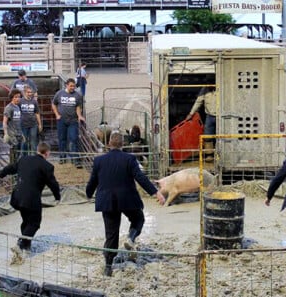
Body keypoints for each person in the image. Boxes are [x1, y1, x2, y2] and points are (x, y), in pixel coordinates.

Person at [85, 132, 166, 277]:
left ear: (109, 144)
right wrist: (156, 193)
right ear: (123, 144)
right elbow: (140, 177)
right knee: (138, 219)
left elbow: (92, 182)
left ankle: (108, 267)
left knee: (111, 235)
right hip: (127, 199)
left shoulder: (99, 161)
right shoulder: (130, 159)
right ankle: (130, 238)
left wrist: (88, 194)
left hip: (107, 201)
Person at [0, 142, 61, 265]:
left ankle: (25, 248)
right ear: (47, 153)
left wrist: (2, 174)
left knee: (26, 221)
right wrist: (57, 197)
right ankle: (21, 243)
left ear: (37, 150)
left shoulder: (24, 159)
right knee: (34, 223)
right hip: (31, 199)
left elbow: (11, 168)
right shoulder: (47, 166)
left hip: (18, 197)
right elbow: (53, 183)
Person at [52, 78, 85, 168]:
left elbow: (78, 107)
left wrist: (79, 115)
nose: (72, 88)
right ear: (66, 85)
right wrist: (57, 115)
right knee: (62, 139)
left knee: (74, 139)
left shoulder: (77, 95)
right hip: (61, 120)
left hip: (73, 120)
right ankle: (62, 158)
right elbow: (54, 104)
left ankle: (75, 159)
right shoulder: (59, 93)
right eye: (71, 86)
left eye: (74, 86)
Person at [186, 87, 217, 162]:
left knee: (222, 136)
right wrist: (191, 114)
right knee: (207, 136)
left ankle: (221, 155)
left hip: (221, 115)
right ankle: (209, 155)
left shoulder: (222, 87)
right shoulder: (204, 90)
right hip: (209, 116)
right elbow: (198, 102)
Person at [19, 86, 42, 156]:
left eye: (31, 92)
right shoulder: (20, 101)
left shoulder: (34, 102)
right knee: (24, 142)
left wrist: (40, 124)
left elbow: (37, 113)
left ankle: (33, 157)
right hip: (23, 124)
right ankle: (24, 158)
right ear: (24, 92)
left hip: (33, 124)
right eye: (28, 92)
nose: (30, 94)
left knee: (33, 142)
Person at [3, 89, 24, 163]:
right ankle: (12, 171)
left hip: (19, 134)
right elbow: (5, 122)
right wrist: (6, 133)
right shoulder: (9, 108)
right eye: (15, 97)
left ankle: (16, 170)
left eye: (19, 97)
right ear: (12, 97)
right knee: (14, 154)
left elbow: (18, 122)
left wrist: (22, 134)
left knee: (18, 154)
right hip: (12, 134)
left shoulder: (18, 107)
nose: (18, 99)